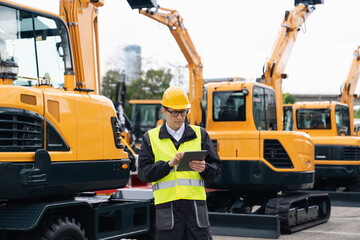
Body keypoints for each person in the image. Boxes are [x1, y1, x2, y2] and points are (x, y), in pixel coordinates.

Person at [138, 86, 222, 240]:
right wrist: (168, 165)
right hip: (167, 210)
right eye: (175, 112)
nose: (179, 117)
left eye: (183, 112)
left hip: (195, 210)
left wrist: (205, 168)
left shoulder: (200, 135)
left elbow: (217, 169)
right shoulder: (150, 138)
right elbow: (144, 174)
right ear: (164, 111)